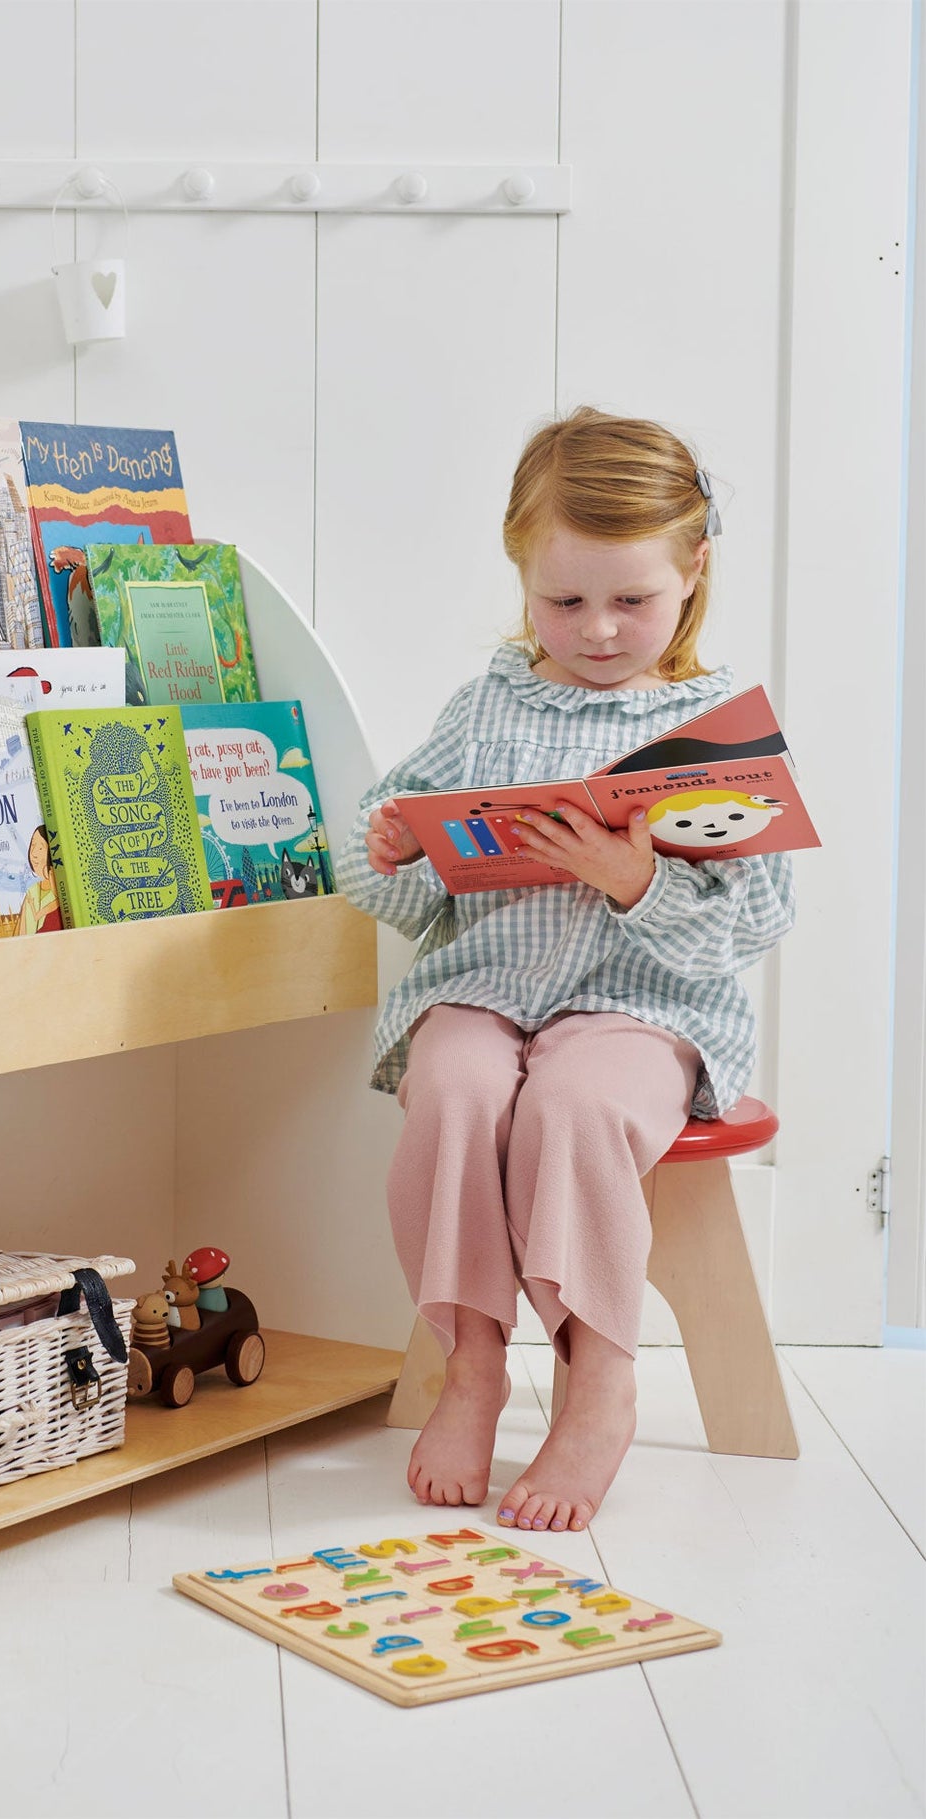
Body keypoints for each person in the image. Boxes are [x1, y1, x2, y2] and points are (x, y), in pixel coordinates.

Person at [336, 406, 794, 1534]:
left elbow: (757, 918)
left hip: (643, 1009)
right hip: (486, 990)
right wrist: (390, 848)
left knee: (576, 1106)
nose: (595, 630)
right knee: (453, 1091)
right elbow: (398, 884)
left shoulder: (714, 729)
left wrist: (633, 881)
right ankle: (474, 1361)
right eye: (563, 600)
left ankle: (597, 1381)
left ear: (692, 569)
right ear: (521, 575)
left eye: (629, 599)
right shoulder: (488, 704)